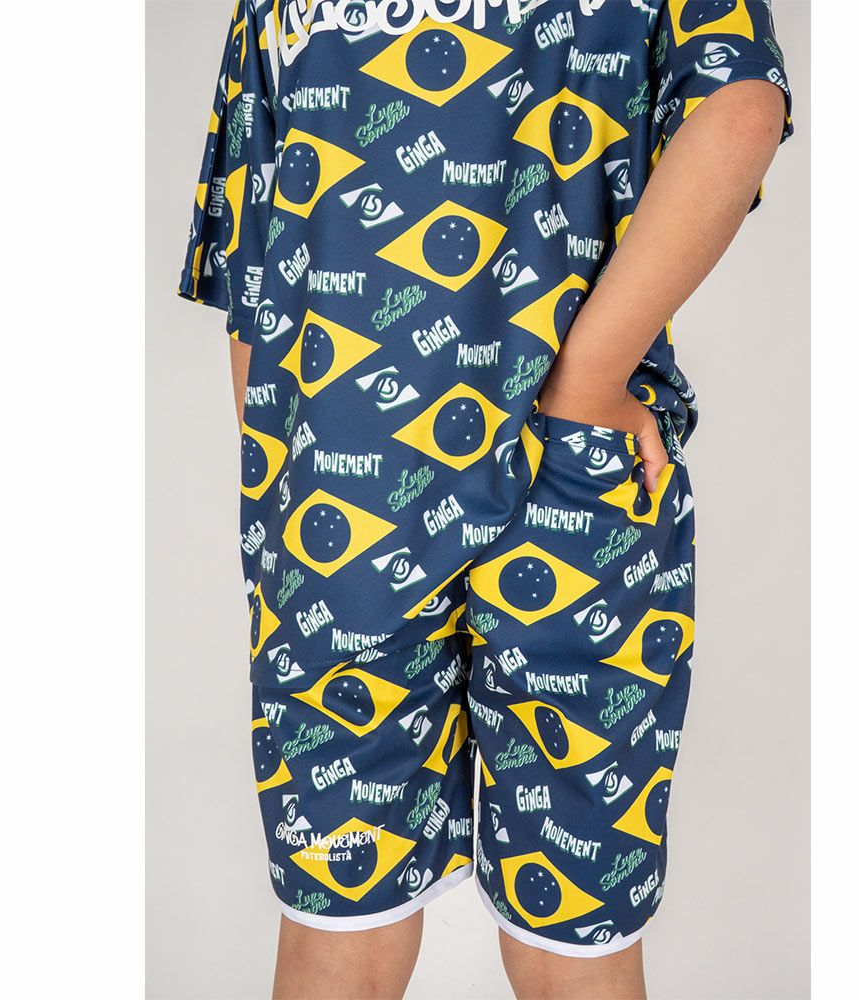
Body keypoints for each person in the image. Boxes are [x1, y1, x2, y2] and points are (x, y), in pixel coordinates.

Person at [178, 2, 793, 997]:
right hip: (572, 490)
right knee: (575, 945)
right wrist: (586, 383)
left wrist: (285, 485)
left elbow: (256, 266)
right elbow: (740, 105)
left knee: (337, 928)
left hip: (340, 488)